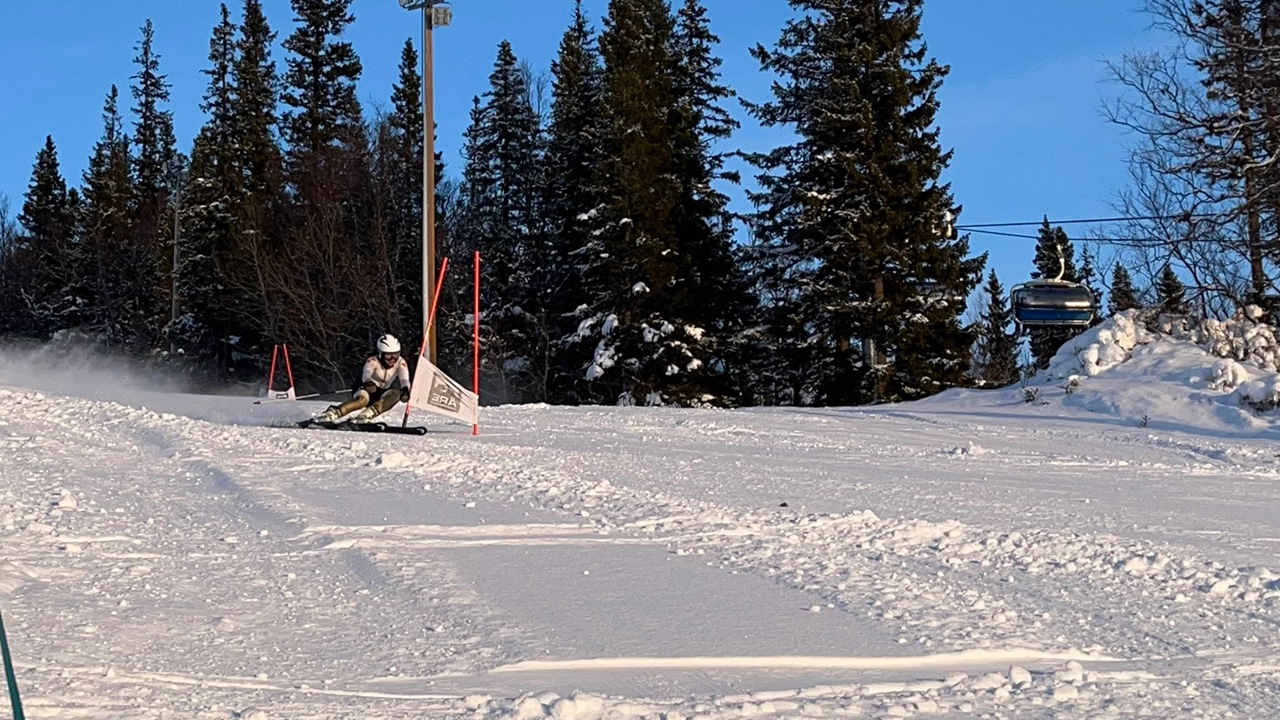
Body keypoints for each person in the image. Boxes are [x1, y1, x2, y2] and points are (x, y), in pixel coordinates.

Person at [316, 334, 411, 423]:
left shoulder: (400, 362)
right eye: (388, 356)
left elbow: (404, 379)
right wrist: (368, 382)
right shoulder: (373, 360)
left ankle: (365, 415)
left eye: (395, 355)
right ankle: (332, 413)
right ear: (381, 354)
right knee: (362, 400)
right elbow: (367, 372)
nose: (392, 359)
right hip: (366, 387)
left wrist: (405, 389)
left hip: (380, 392)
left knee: (396, 394)